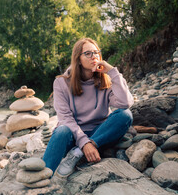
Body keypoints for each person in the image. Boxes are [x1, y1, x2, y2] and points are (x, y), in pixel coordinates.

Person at [43, 38, 134, 178]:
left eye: (96, 52)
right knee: (61, 130)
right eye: (88, 53)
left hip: (100, 134)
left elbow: (125, 103)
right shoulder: (61, 83)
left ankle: (77, 154)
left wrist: (112, 72)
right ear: (78, 59)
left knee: (125, 115)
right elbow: (65, 118)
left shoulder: (106, 80)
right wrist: (84, 143)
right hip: (73, 135)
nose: (94, 57)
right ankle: (42, 178)